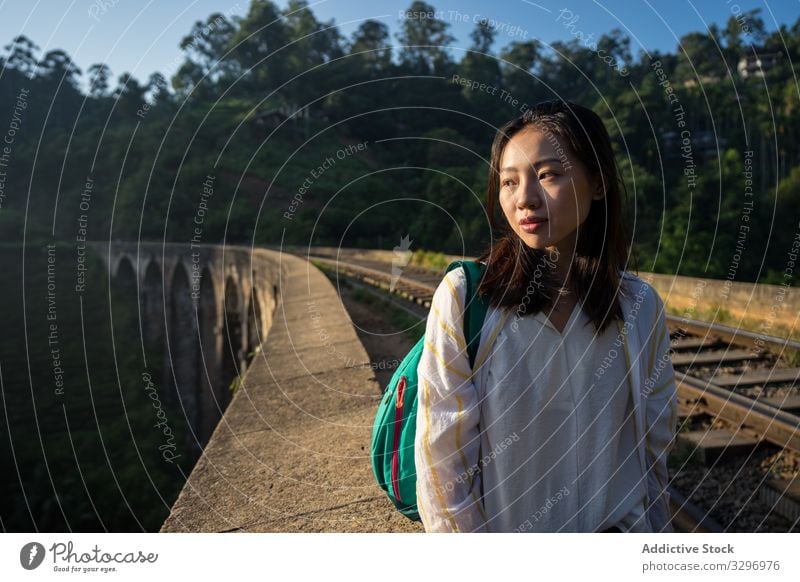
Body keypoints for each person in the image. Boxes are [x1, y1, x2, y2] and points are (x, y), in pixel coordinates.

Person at [414, 100, 678, 533]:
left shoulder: (639, 305)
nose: (524, 199)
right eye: (508, 182)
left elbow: (655, 442)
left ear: (597, 183)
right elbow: (441, 462)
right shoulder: (467, 298)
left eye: (548, 175)